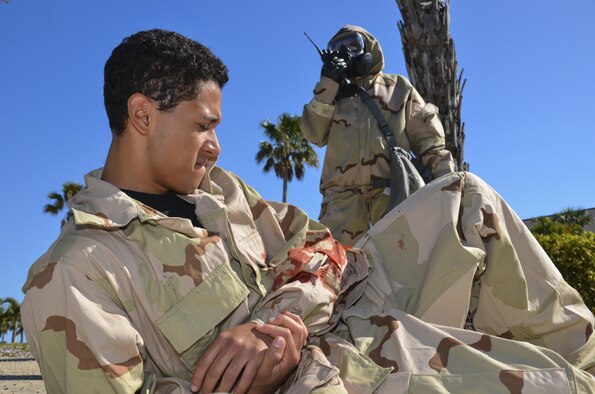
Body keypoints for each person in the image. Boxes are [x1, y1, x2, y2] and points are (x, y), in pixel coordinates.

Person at [22, 29, 595, 394]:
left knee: (465, 197)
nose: (216, 145)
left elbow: (324, 245)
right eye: (204, 126)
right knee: (547, 388)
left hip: (340, 312)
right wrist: (246, 375)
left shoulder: (222, 192)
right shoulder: (77, 271)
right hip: (315, 379)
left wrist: (281, 319)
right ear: (142, 116)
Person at [301, 25, 455, 246]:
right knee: (339, 271)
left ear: (368, 49)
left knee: (401, 269)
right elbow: (313, 134)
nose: (344, 52)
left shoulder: (398, 88)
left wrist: (448, 189)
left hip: (393, 195)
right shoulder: (330, 95)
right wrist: (327, 84)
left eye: (352, 45)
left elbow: (430, 143)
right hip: (341, 204)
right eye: (337, 48)